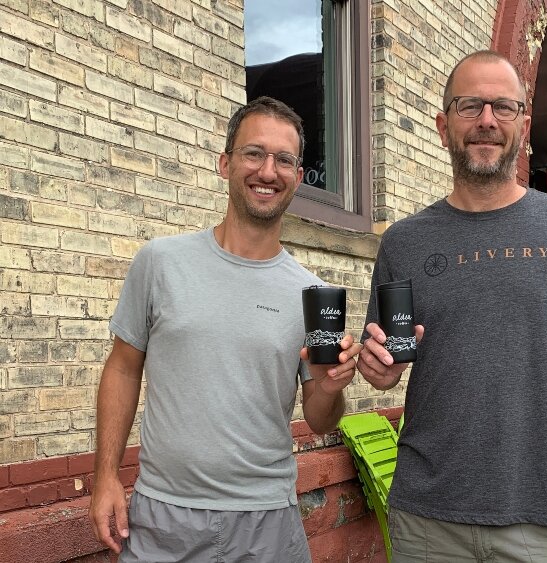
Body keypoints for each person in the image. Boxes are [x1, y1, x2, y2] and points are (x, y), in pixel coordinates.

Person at [357, 51, 547, 562]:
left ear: (522, 126)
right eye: (469, 106)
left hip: (543, 510)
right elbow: (387, 365)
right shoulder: (403, 242)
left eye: (502, 108)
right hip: (427, 518)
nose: (486, 121)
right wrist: (378, 368)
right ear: (444, 126)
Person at [89, 96, 361, 562]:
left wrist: (333, 387)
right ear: (225, 162)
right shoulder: (160, 263)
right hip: (163, 518)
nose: (267, 171)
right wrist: (105, 476)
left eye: (284, 160)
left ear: (298, 177)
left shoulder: (313, 295)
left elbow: (320, 417)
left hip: (267, 523)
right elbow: (122, 369)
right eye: (253, 153)